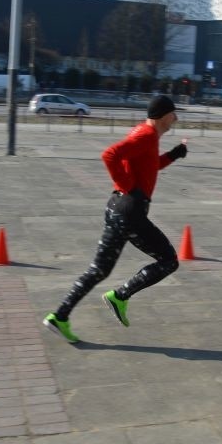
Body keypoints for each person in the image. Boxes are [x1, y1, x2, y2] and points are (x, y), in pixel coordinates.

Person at [43, 95, 188, 343]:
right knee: (168, 261)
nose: (176, 118)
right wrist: (129, 187)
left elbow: (148, 167)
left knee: (99, 269)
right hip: (130, 211)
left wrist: (173, 155)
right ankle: (120, 296)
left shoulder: (147, 135)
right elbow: (109, 155)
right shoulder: (145, 136)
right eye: (174, 114)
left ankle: (60, 316)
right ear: (164, 116)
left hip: (117, 209)